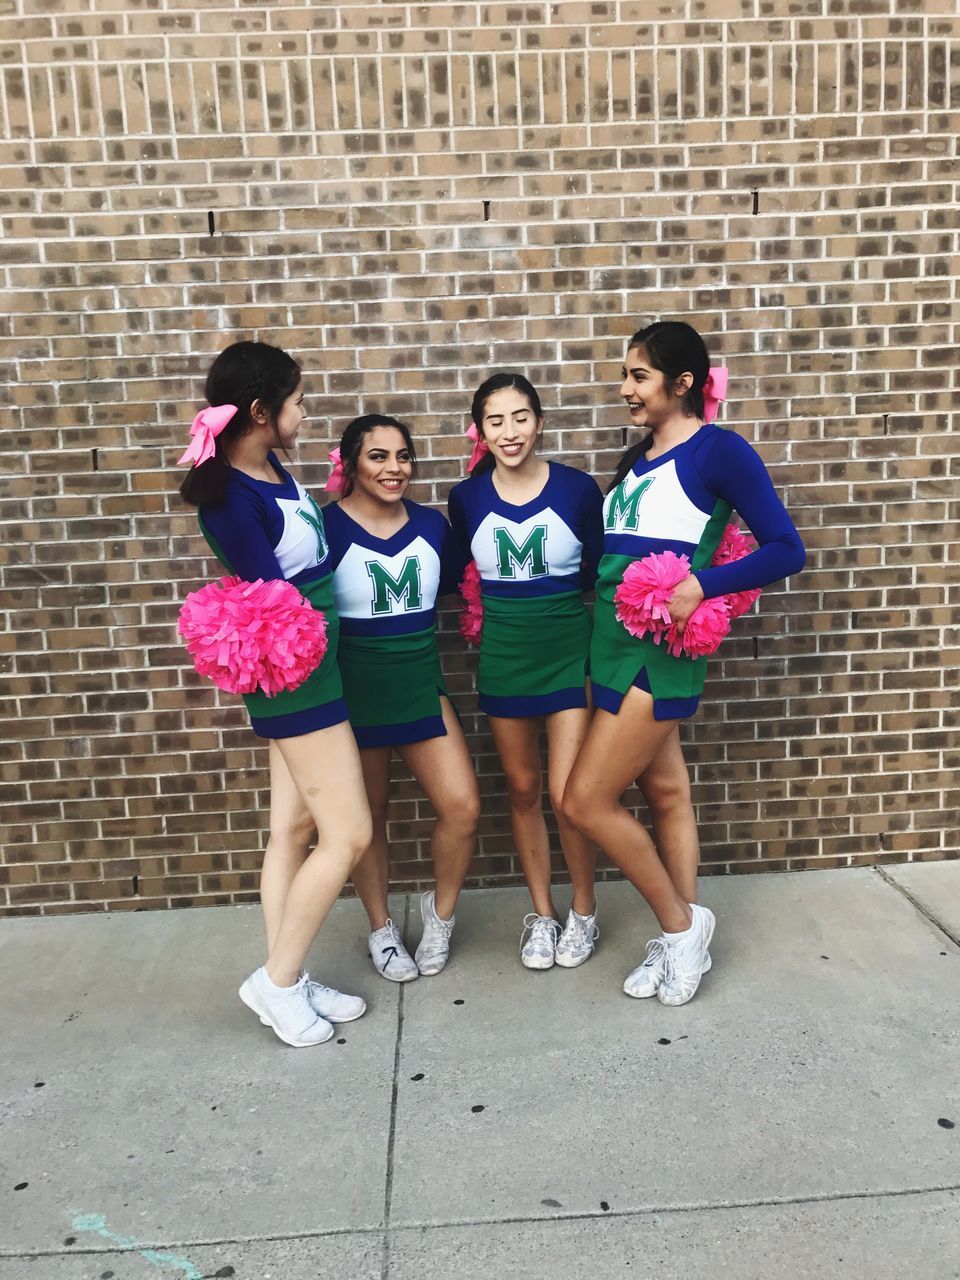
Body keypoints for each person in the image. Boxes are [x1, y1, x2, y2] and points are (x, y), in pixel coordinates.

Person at [562, 320, 806, 1006]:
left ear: (684, 381)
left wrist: (704, 585)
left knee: (585, 800)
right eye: (627, 375)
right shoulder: (636, 457)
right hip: (609, 642)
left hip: (659, 648)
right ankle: (682, 942)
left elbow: (786, 548)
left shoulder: (719, 452)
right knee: (665, 794)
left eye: (638, 375)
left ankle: (679, 927)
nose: (626, 389)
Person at [179, 340, 372, 1048]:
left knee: (292, 830)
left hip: (320, 661)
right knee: (348, 832)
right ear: (261, 411)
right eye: (296, 402)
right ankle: (279, 981)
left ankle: (284, 968)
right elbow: (271, 608)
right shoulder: (230, 498)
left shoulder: (267, 464)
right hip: (297, 676)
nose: (304, 412)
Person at [448, 373, 605, 971]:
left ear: (539, 422)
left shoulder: (578, 489)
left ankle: (583, 911)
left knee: (569, 797)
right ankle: (541, 914)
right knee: (522, 790)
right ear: (480, 431)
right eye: (495, 420)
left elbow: (594, 570)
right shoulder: (466, 499)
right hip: (504, 658)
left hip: (568, 653)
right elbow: (464, 573)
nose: (509, 432)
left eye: (519, 417)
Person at [321, 414, 480, 983]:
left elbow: (463, 583)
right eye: (379, 456)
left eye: (403, 456)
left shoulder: (435, 527)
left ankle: (440, 918)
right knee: (368, 818)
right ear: (352, 464)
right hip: (354, 691)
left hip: (419, 681)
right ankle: (382, 929)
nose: (394, 469)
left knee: (462, 807)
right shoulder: (324, 529)